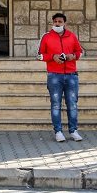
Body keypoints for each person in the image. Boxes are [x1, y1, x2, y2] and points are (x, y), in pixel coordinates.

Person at [38, 12, 84, 142]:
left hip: (71, 75)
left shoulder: (72, 36)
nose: (57, 24)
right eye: (55, 22)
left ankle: (73, 131)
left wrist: (72, 56)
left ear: (64, 23)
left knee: (72, 104)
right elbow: (40, 55)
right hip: (54, 76)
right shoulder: (46, 37)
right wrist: (52, 57)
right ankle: (58, 131)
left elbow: (80, 52)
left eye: (60, 22)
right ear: (53, 23)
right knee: (56, 105)